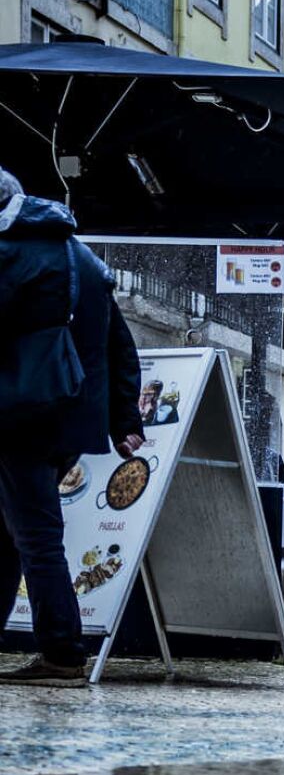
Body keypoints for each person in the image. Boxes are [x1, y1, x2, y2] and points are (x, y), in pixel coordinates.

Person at [0, 165, 146, 684]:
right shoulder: (79, 255)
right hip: (66, 419)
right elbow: (119, 343)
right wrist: (124, 417)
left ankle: (62, 652)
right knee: (15, 531)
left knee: (36, 535)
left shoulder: (11, 254)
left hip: (17, 414)